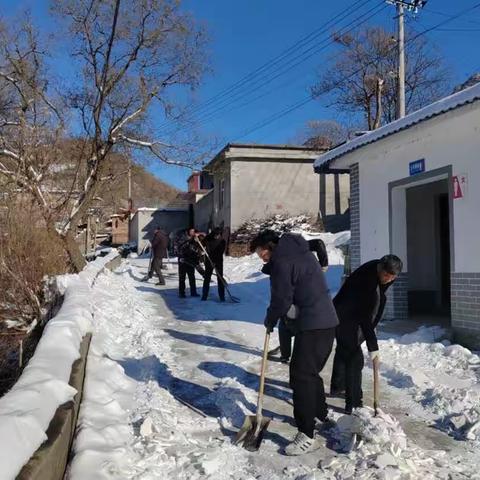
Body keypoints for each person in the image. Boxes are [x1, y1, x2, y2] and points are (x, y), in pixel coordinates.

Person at [250, 230, 338, 456]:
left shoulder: (282, 261)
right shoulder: (299, 250)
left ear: (270, 247)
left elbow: (281, 299)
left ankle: (306, 434)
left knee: (300, 377)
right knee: (309, 373)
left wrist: (270, 319)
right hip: (324, 322)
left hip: (314, 323)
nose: (262, 258)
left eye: (262, 253)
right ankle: (320, 413)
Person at [330, 255, 403, 414]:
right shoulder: (367, 282)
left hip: (348, 312)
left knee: (344, 351)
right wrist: (372, 345)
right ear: (380, 269)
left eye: (392, 278)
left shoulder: (380, 270)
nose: (388, 280)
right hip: (345, 315)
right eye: (385, 276)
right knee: (354, 359)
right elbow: (364, 315)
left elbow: (376, 301)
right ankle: (354, 404)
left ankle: (338, 386)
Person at [268, 237, 330, 363]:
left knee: (293, 321)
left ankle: (296, 355)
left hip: (303, 293)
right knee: (284, 321)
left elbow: (318, 243)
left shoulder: (295, 250)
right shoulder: (282, 257)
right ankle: (285, 354)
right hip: (293, 291)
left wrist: (323, 265)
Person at [201, 228, 226, 302]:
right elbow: (201, 244)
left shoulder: (222, 241)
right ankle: (204, 296)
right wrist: (197, 240)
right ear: (213, 234)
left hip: (218, 261)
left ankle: (222, 296)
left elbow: (220, 252)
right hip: (209, 261)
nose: (216, 236)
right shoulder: (208, 238)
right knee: (207, 278)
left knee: (220, 279)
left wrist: (215, 261)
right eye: (215, 235)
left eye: (218, 235)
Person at [175, 227, 200, 298]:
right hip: (183, 261)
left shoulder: (194, 239)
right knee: (182, 278)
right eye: (191, 231)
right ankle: (181, 293)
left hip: (190, 260)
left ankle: (193, 292)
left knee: (192, 277)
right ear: (188, 231)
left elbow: (196, 249)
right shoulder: (182, 238)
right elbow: (177, 248)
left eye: (193, 231)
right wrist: (180, 256)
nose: (192, 233)